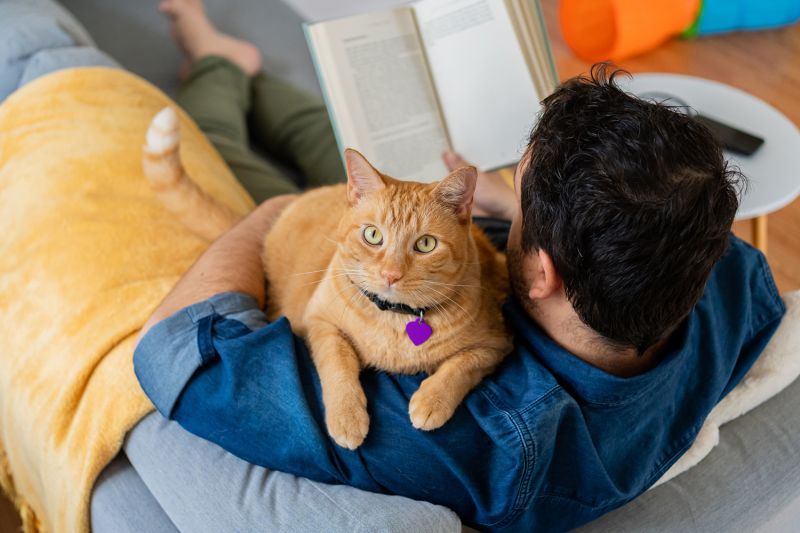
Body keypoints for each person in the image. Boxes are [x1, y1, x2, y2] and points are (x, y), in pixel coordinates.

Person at [127, 1, 787, 532]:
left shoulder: (487, 435)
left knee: (231, 163)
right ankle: (249, 70)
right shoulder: (731, 275)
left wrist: (269, 214)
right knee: (328, 132)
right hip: (416, 225)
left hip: (306, 242)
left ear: (543, 275)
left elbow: (171, 351)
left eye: (523, 199)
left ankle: (217, 62)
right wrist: (507, 204)